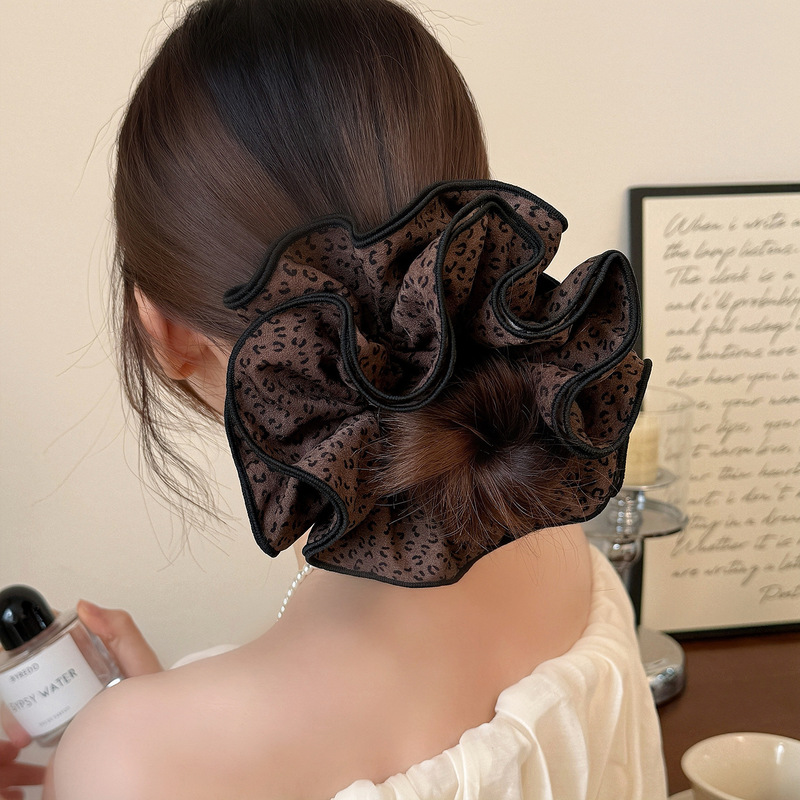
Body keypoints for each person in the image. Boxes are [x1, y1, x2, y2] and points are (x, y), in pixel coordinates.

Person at [1, 0, 667, 797]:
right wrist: (160, 723)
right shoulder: (562, 549)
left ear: (164, 329)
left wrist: (140, 743)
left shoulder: (127, 760)